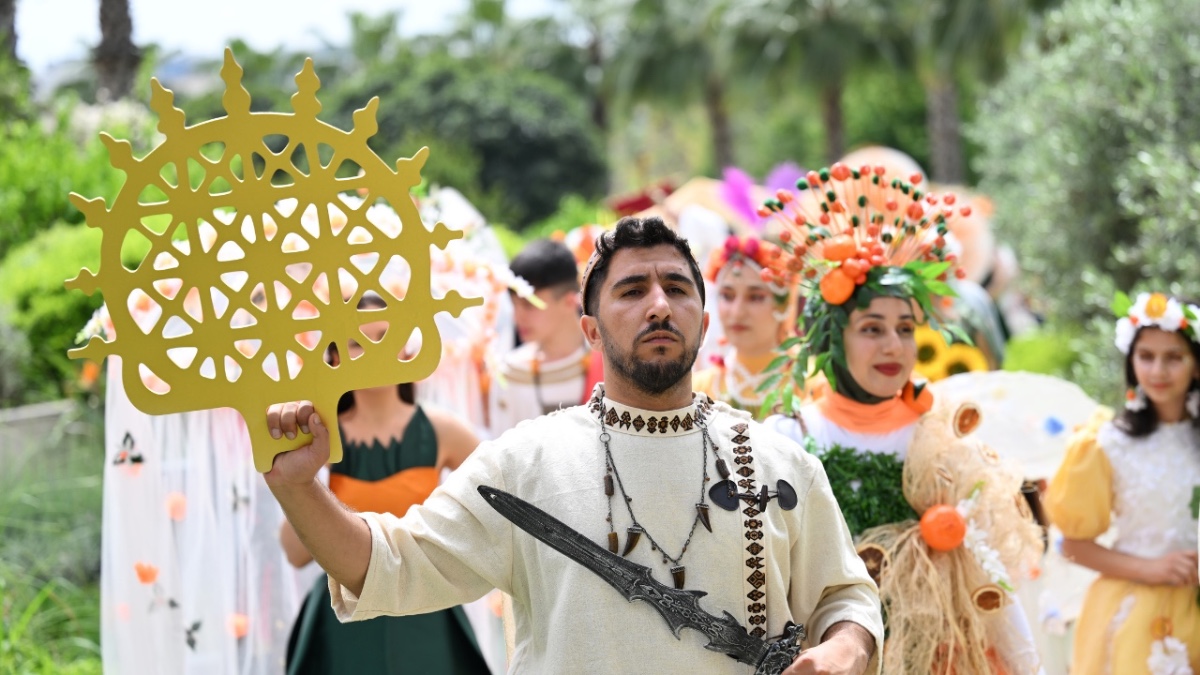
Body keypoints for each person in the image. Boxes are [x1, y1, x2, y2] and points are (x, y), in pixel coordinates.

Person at [263, 216, 882, 674]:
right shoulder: (524, 463)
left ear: (703, 318)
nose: (659, 304)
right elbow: (390, 565)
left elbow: (844, 593)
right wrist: (297, 485)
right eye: (632, 290)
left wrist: (846, 647)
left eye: (677, 287)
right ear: (590, 328)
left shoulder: (779, 461)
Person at [759, 163, 1043, 674]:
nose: (893, 346)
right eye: (871, 328)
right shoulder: (792, 438)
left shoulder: (942, 435)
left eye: (906, 328)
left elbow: (985, 570)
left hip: (940, 654)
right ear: (831, 341)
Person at [282, 293, 490, 675]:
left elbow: (501, 514)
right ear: (334, 356)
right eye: (358, 342)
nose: (374, 352)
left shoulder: (446, 431)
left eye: (385, 337)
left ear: (407, 348)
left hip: (426, 608)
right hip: (341, 620)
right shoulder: (319, 440)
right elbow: (295, 554)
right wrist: (304, 470)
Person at [1045, 291, 1200, 674]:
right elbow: (1072, 546)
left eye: (1173, 358)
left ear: (1196, 365)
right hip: (1136, 616)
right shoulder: (1106, 444)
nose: (1158, 371)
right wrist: (1149, 569)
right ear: (1131, 362)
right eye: (1146, 356)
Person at [486, 239, 597, 438]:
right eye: (514, 305)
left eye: (529, 305)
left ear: (570, 300)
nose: (517, 318)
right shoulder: (510, 372)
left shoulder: (608, 360)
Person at [693, 234, 798, 419]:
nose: (737, 312)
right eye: (727, 295)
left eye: (755, 297)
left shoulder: (814, 386)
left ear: (784, 304)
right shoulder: (698, 390)